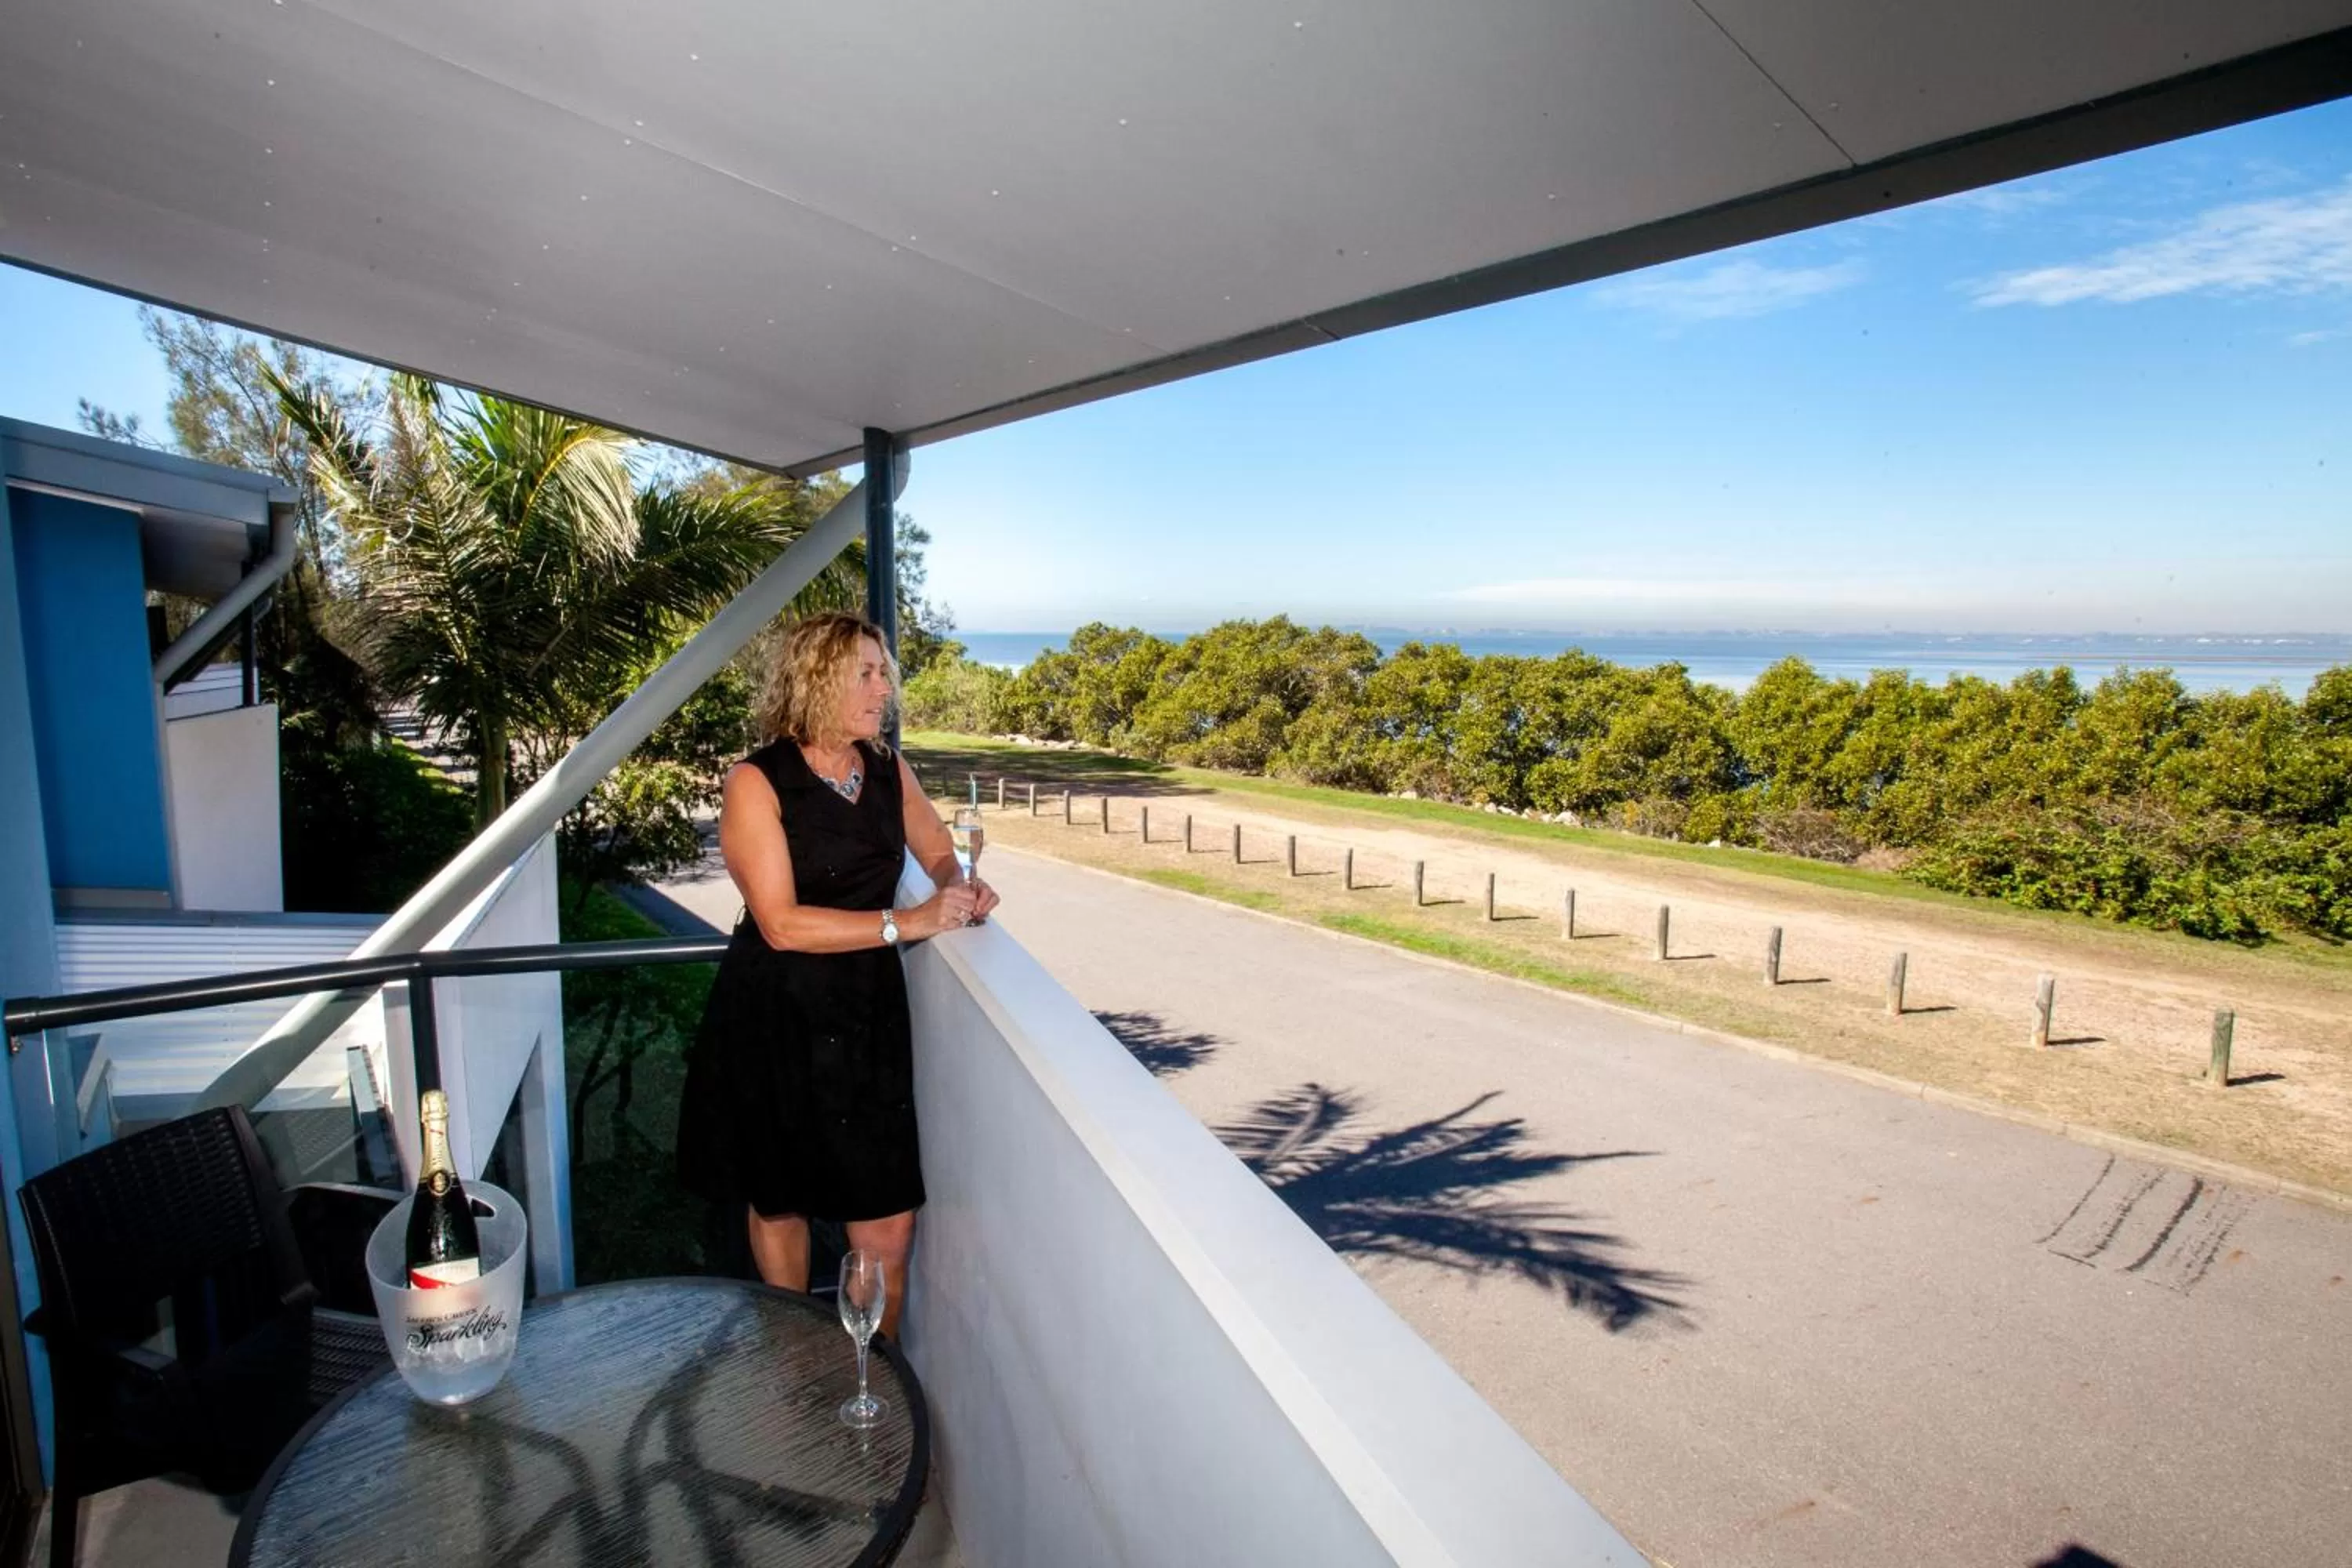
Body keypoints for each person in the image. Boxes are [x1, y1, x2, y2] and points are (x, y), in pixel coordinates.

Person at [677, 610, 996, 1336]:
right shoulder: (757, 783)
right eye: (868, 672)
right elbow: (781, 924)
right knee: (779, 1200)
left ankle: (873, 1380)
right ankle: (792, 1351)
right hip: (776, 1015)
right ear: (818, 679)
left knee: (887, 1229)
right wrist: (908, 923)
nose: (885, 688)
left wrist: (962, 881)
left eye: (884, 672)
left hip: (866, 1017)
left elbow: (939, 847)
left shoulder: (885, 768)